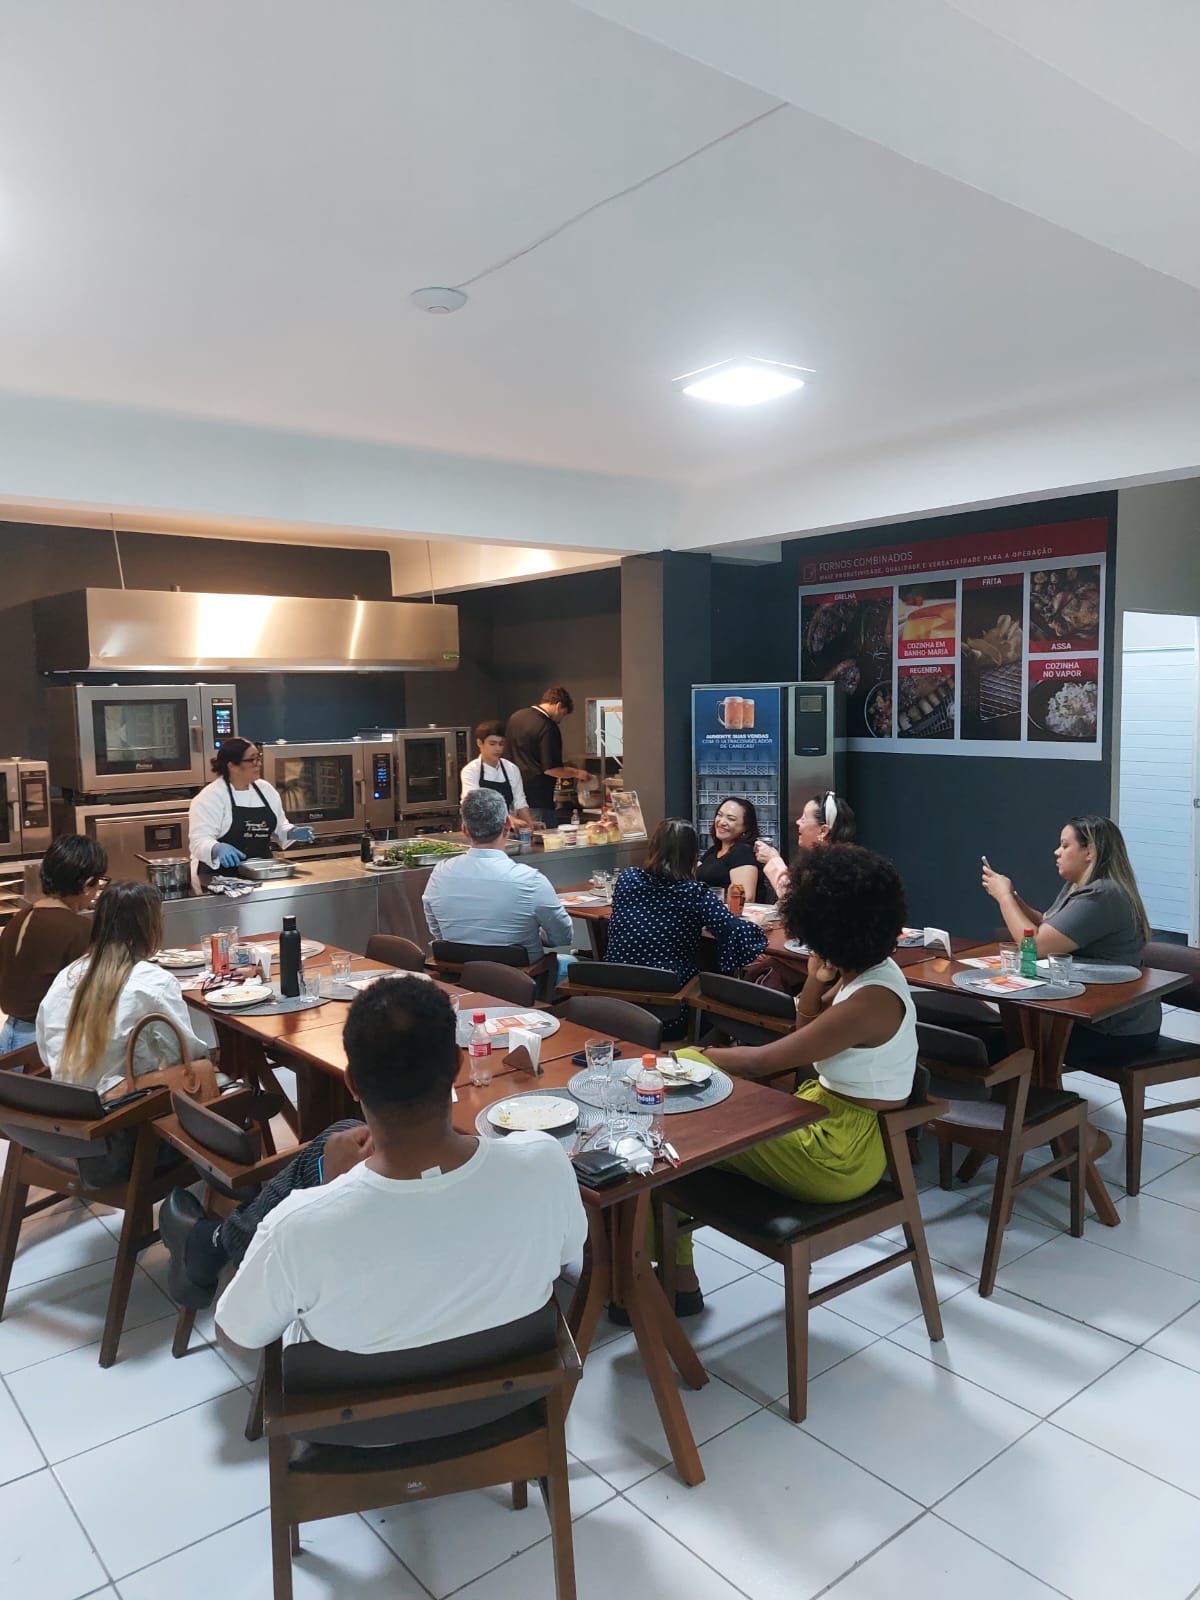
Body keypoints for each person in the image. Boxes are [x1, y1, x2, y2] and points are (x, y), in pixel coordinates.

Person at [159, 978, 588, 1351]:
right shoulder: (544, 1162)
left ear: (352, 1083)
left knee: (333, 1141)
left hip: (358, 1439)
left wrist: (332, 1189)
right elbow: (569, 1255)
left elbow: (236, 1338)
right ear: (458, 1066)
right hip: (511, 1416)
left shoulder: (297, 1225)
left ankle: (212, 1241)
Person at [669, 845, 917, 1302]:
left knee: (666, 1137)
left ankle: (662, 1275)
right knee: (669, 1134)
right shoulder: (863, 973)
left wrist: (693, 1055)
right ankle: (668, 1274)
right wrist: (817, 979)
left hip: (839, 1152)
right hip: (823, 1118)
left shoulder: (871, 999)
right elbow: (808, 1034)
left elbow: (769, 1060)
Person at [982, 814, 1159, 1065]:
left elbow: (1037, 946)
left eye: (1065, 845)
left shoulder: (1102, 896)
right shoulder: (1081, 887)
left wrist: (1004, 899)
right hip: (1091, 1015)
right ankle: (1029, 1098)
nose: (1057, 852)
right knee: (998, 1035)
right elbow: (1051, 927)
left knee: (999, 1045)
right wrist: (1014, 897)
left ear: (1090, 851)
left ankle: (1037, 1100)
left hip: (1115, 1029)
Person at [37, 881, 211, 1096]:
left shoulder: (67, 976)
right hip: (125, 1113)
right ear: (150, 927)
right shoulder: (153, 982)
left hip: (68, 1109)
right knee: (217, 1081)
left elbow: (47, 1053)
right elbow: (186, 1055)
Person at [605, 818, 767, 1038]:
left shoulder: (628, 879)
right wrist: (753, 925)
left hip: (614, 1005)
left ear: (653, 847)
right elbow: (734, 932)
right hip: (669, 1013)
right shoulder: (693, 892)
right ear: (692, 854)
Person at [422, 788, 573, 963]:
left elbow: (438, 932)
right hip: (524, 984)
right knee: (570, 962)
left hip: (459, 980)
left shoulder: (440, 873)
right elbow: (563, 937)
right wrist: (538, 936)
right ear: (507, 825)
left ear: (465, 830)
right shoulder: (530, 880)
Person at [0, 835, 108, 1056]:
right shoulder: (78, 928)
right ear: (87, 884)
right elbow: (93, 997)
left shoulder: (20, 918)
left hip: (8, 1037)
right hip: (45, 1043)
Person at [188, 737, 315, 888]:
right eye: (252, 760)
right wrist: (217, 849)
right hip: (220, 880)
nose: (259, 764)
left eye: (258, 758)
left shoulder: (265, 790)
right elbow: (199, 840)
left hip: (262, 874)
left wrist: (291, 831)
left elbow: (280, 826)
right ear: (233, 766)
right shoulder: (210, 797)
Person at [504, 688, 590, 827]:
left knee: (522, 842)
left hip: (513, 797)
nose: (561, 720)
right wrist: (577, 773)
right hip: (538, 800)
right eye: (563, 714)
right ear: (558, 706)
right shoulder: (548, 726)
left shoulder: (516, 717)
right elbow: (551, 769)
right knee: (543, 841)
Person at [754, 790, 856, 899]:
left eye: (803, 819)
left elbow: (796, 899)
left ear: (823, 831)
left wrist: (773, 859)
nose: (797, 822)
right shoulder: (845, 861)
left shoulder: (833, 869)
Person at [459, 719, 533, 826]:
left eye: (501, 744)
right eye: (492, 744)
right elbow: (476, 805)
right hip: (479, 829)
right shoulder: (470, 771)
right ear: (480, 743)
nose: (498, 748)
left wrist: (530, 824)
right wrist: (508, 819)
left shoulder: (511, 769)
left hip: (505, 830)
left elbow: (520, 802)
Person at [696, 796, 762, 904]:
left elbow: (746, 898)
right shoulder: (713, 851)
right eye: (719, 815)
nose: (722, 822)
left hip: (726, 918)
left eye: (731, 819)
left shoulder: (742, 852)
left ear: (745, 826)